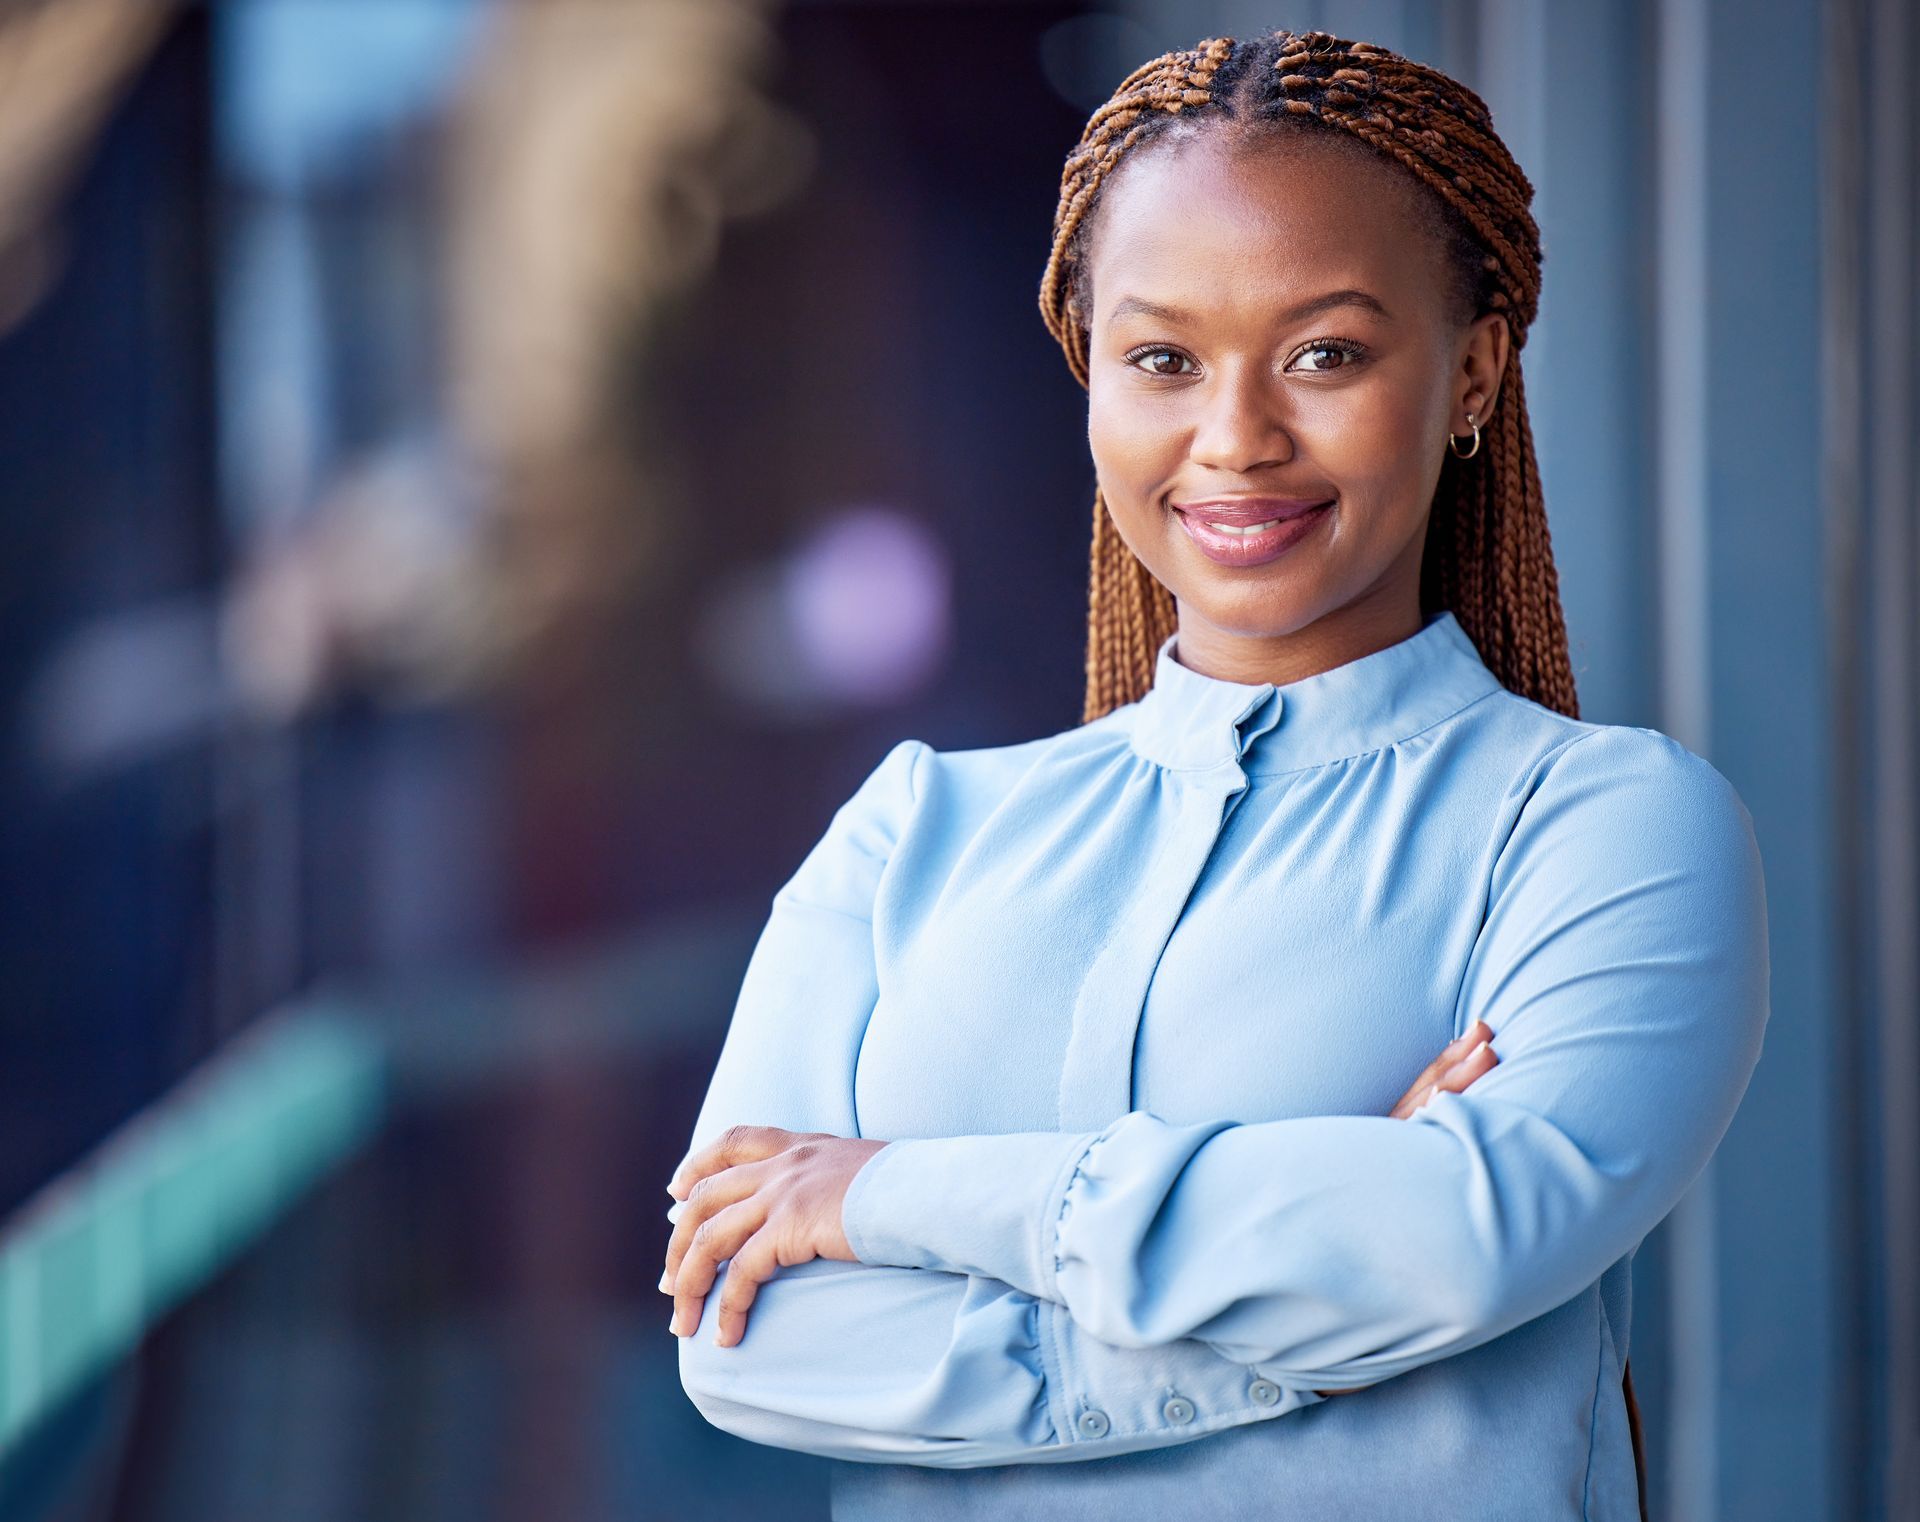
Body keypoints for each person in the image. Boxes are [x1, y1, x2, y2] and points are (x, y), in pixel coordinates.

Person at [658, 27, 1769, 1522]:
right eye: (1163, 358)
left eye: (1324, 351)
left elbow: (1459, 1240)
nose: (1235, 438)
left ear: (1473, 374)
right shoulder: (912, 831)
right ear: (1093, 376)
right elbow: (748, 1339)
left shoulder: (1606, 829)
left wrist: (882, 1195)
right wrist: (1317, 1281)